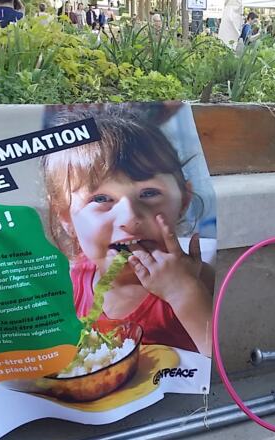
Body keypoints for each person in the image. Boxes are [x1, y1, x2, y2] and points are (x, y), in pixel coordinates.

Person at [41, 107, 214, 355]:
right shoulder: (69, 284)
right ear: (66, 218)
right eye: (101, 198)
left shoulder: (198, 281)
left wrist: (182, 293)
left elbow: (221, 371)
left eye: (149, 193)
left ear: (183, 202)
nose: (130, 217)